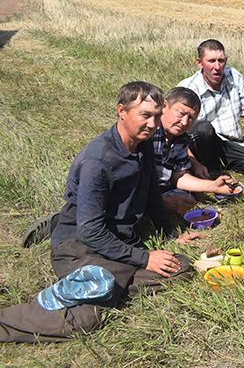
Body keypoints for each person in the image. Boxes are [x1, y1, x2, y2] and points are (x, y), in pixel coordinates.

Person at [0, 82, 202, 342]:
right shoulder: (98, 162)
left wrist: (171, 234)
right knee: (85, 319)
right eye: (144, 115)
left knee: (180, 266)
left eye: (155, 116)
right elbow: (91, 232)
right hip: (79, 245)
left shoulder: (144, 145)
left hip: (118, 239)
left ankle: (100, 283)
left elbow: (152, 193)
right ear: (122, 111)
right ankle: (10, 320)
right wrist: (143, 258)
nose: (152, 125)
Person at [178, 39, 244, 178]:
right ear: (199, 63)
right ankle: (208, 168)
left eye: (221, 61)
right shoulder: (189, 87)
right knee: (204, 129)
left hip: (228, 142)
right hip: (202, 142)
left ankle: (221, 163)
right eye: (211, 61)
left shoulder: (234, 76)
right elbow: (177, 129)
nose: (217, 66)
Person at [153, 87, 237, 215]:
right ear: (164, 106)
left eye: (191, 117)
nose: (184, 122)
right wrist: (159, 201)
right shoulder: (150, 133)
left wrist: (213, 186)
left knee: (187, 198)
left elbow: (179, 176)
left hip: (160, 186)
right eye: (180, 113)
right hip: (137, 190)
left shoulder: (181, 138)